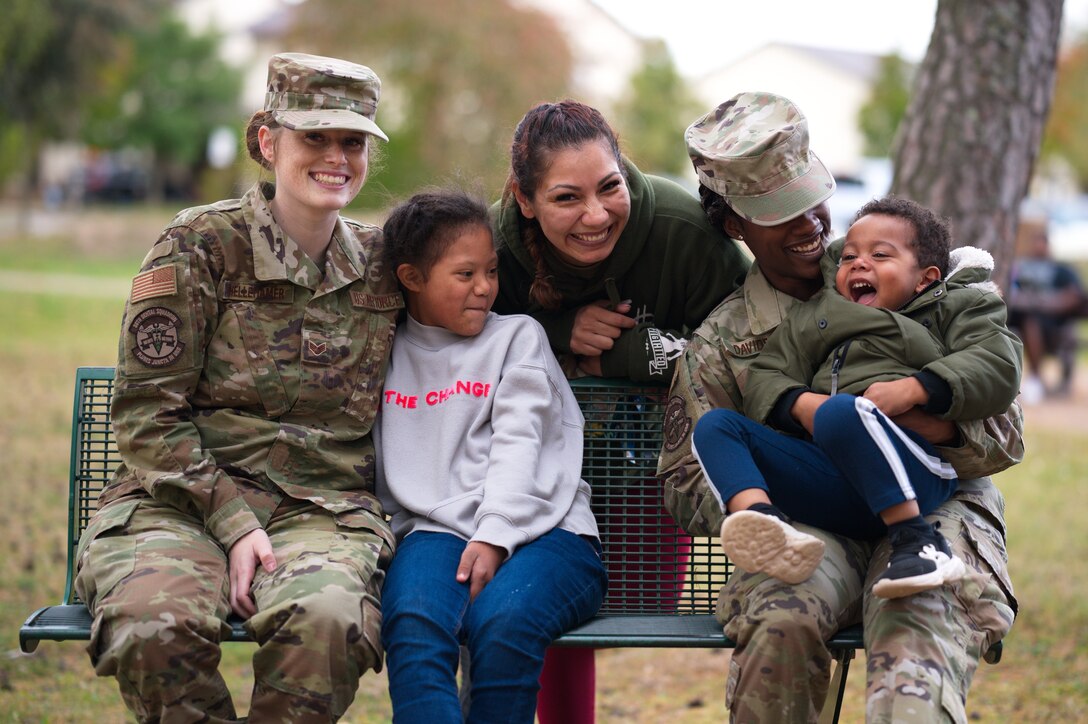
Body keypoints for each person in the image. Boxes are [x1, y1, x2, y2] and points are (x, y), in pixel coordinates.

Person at [658, 92, 1023, 722]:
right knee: (780, 617)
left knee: (920, 626)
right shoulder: (724, 341)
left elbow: (1005, 431)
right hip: (807, 520)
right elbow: (686, 478)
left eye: (811, 201)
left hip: (935, 500)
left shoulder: (901, 272)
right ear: (734, 225)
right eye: (779, 214)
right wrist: (795, 472)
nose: (809, 227)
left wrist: (913, 418)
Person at [73, 53, 401, 723]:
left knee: (328, 621)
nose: (336, 156)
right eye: (315, 137)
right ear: (267, 140)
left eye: (353, 141)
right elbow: (146, 416)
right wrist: (232, 520)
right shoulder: (200, 247)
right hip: (181, 506)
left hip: (323, 513)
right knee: (152, 624)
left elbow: (488, 277)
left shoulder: (385, 265)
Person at [491, 98, 751, 722]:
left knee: (639, 604)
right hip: (531, 469)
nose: (595, 214)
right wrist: (557, 331)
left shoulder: (684, 234)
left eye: (609, 187)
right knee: (531, 604)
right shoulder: (492, 246)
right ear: (526, 202)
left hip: (650, 468)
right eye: (566, 198)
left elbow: (749, 351)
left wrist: (625, 358)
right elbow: (456, 340)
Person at [692, 195, 1022, 599]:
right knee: (717, 427)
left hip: (915, 469)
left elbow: (996, 362)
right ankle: (766, 524)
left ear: (925, 278)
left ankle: (918, 540)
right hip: (834, 475)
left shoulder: (956, 305)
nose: (859, 264)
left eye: (880, 255)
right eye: (849, 256)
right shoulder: (818, 315)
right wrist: (799, 406)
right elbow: (767, 374)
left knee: (840, 415)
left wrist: (915, 389)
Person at [375, 190, 607, 722]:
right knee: (412, 625)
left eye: (492, 271)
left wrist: (495, 531)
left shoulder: (517, 338)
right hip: (435, 532)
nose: (486, 289)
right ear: (412, 278)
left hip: (550, 532)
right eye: (465, 275)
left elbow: (519, 440)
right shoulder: (383, 349)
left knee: (504, 623)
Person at [1007, 227, 1087, 402]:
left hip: (1055, 324)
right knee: (1029, 320)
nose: (1038, 248)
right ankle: (1035, 380)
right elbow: (1009, 292)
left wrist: (1048, 304)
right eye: (1035, 244)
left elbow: (1075, 295)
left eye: (1042, 244)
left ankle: (1039, 380)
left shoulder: (1062, 270)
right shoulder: (1020, 268)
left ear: (1048, 246)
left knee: (1032, 320)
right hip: (1024, 320)